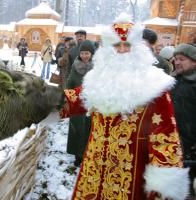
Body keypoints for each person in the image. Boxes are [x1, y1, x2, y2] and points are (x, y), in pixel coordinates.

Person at [60, 14, 189, 200]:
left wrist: (163, 185)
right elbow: (71, 101)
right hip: (94, 173)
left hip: (131, 176)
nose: (121, 50)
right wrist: (35, 100)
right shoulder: (97, 80)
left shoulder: (156, 86)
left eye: (127, 45)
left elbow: (165, 138)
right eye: (116, 45)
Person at [171, 43, 196, 197]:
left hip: (191, 148)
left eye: (182, 59)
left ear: (194, 61)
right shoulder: (172, 81)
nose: (177, 62)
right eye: (175, 59)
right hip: (173, 143)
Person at [66, 40, 95, 167]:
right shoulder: (75, 66)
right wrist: (69, 97)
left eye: (87, 53)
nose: (84, 55)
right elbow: (70, 82)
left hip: (91, 103)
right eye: (82, 53)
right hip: (78, 103)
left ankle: (88, 154)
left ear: (91, 54)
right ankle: (77, 155)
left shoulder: (97, 67)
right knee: (77, 129)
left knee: (89, 129)